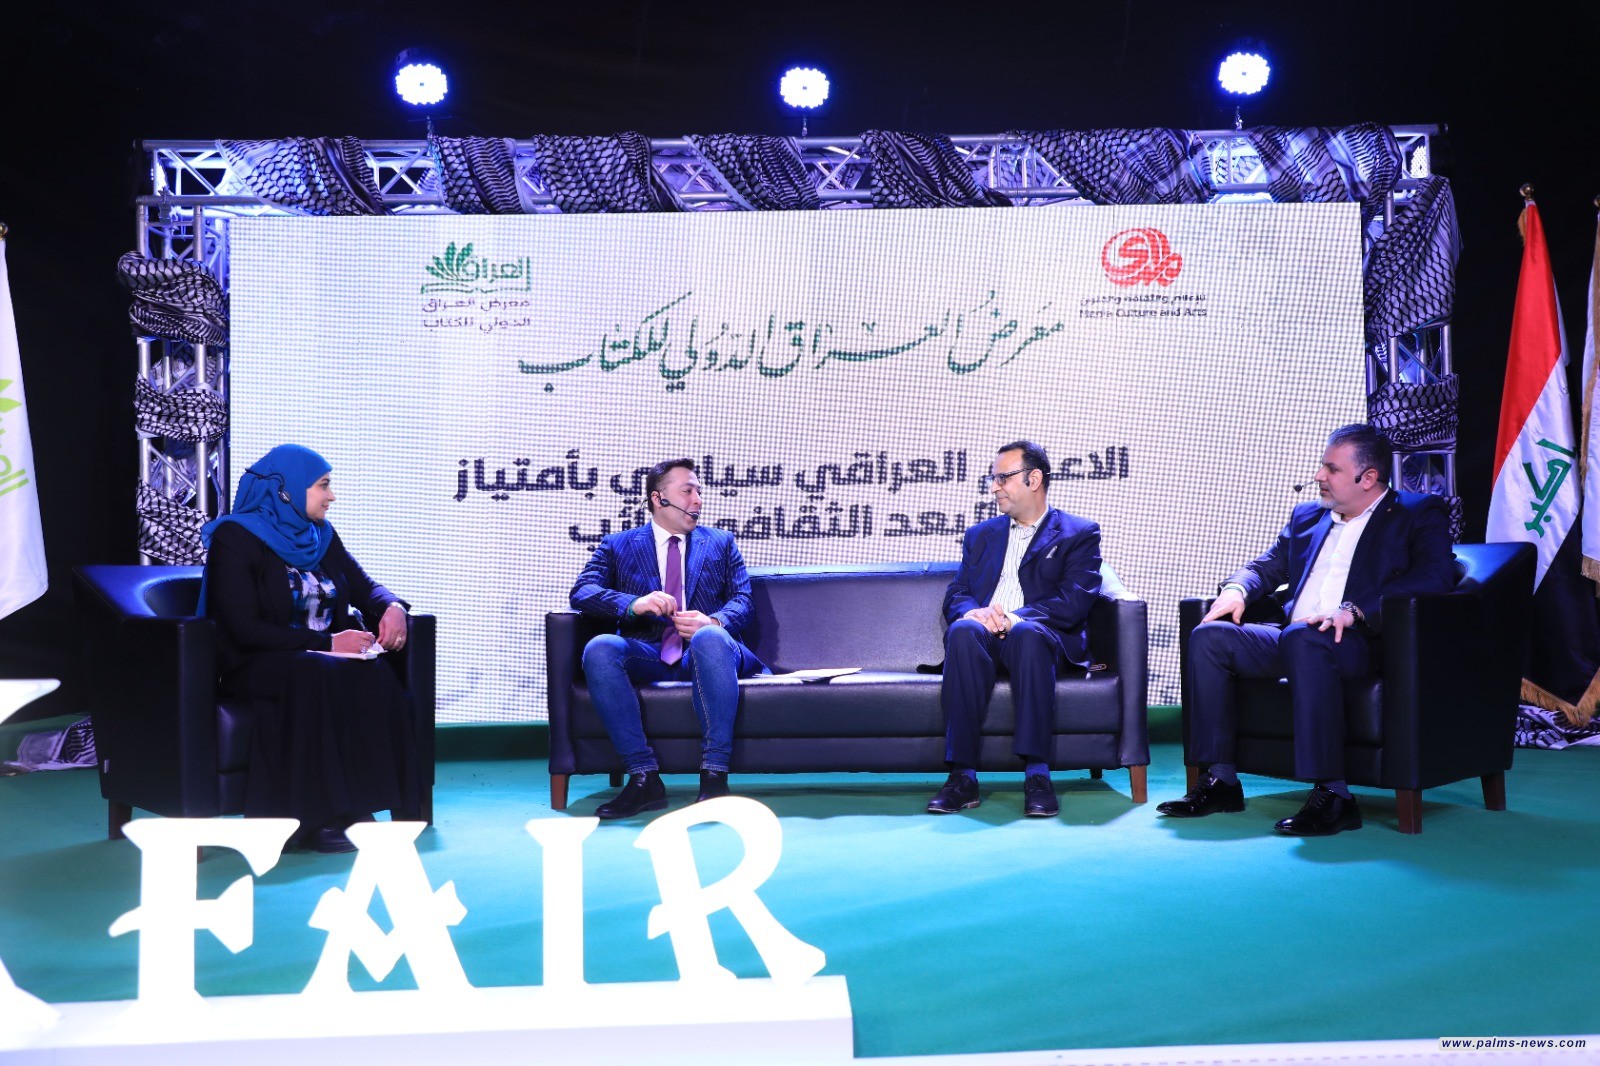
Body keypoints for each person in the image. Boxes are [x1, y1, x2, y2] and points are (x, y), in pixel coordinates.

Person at [1156, 423, 1456, 836]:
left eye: (1332, 469)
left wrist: (1355, 610)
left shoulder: (1415, 513)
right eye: (1322, 466)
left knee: (1304, 638)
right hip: (1293, 637)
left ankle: (1334, 795)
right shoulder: (1307, 516)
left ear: (1368, 477)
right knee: (1209, 637)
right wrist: (1237, 589)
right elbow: (1266, 566)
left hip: (1355, 642)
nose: (1319, 476)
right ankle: (1220, 780)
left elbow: (1436, 576)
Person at [200, 444, 423, 853]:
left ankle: (368, 808)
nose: (331, 496)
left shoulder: (319, 536)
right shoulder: (236, 538)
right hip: (254, 662)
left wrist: (392, 607)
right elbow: (243, 628)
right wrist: (327, 643)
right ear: (286, 489)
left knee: (372, 670)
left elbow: (364, 585)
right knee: (315, 672)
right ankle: (320, 820)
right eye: (323, 485)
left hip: (319, 660)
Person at [570, 457, 766, 819]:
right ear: (659, 499)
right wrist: (634, 604)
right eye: (688, 491)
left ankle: (714, 779)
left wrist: (712, 621)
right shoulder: (618, 545)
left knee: (709, 639)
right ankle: (644, 778)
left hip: (710, 653)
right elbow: (582, 592)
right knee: (600, 648)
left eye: (699, 492)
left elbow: (743, 602)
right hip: (649, 652)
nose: (698, 500)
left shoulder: (720, 542)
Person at [927, 440, 1103, 818]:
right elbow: (958, 592)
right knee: (962, 632)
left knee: (1026, 635)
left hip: (1038, 635)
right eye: (993, 479)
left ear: (1033, 479)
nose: (994, 487)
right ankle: (962, 777)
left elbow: (1073, 600)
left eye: (1003, 478)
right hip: (984, 635)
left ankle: (1037, 774)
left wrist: (1014, 618)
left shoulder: (1079, 533)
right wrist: (974, 613)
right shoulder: (981, 535)